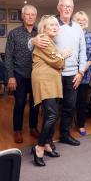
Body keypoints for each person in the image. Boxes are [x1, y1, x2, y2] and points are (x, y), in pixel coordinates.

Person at [30, 0, 87, 146]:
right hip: (53, 74)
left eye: (70, 6)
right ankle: (47, 141)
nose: (67, 9)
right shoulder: (52, 24)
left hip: (72, 75)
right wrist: (32, 40)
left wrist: (81, 72)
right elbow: (36, 42)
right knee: (50, 112)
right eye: (64, 6)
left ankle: (65, 135)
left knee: (69, 107)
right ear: (58, 7)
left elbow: (83, 52)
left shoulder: (78, 28)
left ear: (73, 8)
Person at [31, 15, 71, 166]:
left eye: (56, 25)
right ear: (44, 28)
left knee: (50, 114)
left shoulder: (50, 41)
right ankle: (39, 147)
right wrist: (63, 55)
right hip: (45, 81)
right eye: (51, 25)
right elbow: (58, 62)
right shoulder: (44, 40)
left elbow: (57, 61)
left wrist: (60, 57)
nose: (55, 27)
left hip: (50, 81)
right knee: (52, 115)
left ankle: (47, 144)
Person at [5, 5, 39, 143]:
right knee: (19, 103)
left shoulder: (40, 33)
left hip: (36, 74)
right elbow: (8, 56)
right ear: (23, 16)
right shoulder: (14, 33)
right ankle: (17, 130)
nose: (30, 17)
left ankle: (33, 127)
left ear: (35, 16)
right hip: (19, 74)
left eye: (33, 14)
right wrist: (10, 76)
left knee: (35, 103)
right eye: (28, 14)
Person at [72, 11, 91, 136]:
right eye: (78, 19)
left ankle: (81, 125)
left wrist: (82, 70)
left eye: (84, 19)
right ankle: (66, 126)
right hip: (70, 73)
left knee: (82, 101)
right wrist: (76, 70)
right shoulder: (70, 34)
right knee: (70, 101)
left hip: (85, 75)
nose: (81, 21)